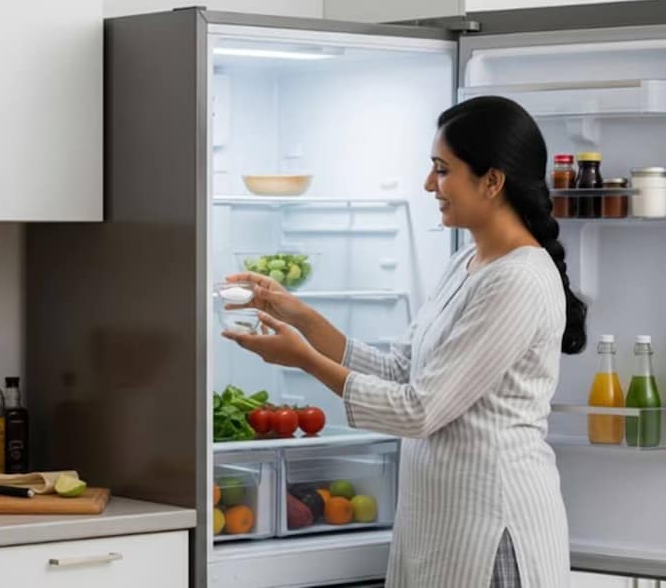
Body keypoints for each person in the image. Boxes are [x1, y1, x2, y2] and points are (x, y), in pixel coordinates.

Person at [223, 96, 587, 588]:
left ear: (493, 180)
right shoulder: (468, 264)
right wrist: (301, 316)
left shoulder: (518, 280)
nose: (428, 185)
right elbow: (400, 371)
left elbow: (418, 410)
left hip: (494, 527)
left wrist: (304, 360)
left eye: (442, 169)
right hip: (443, 522)